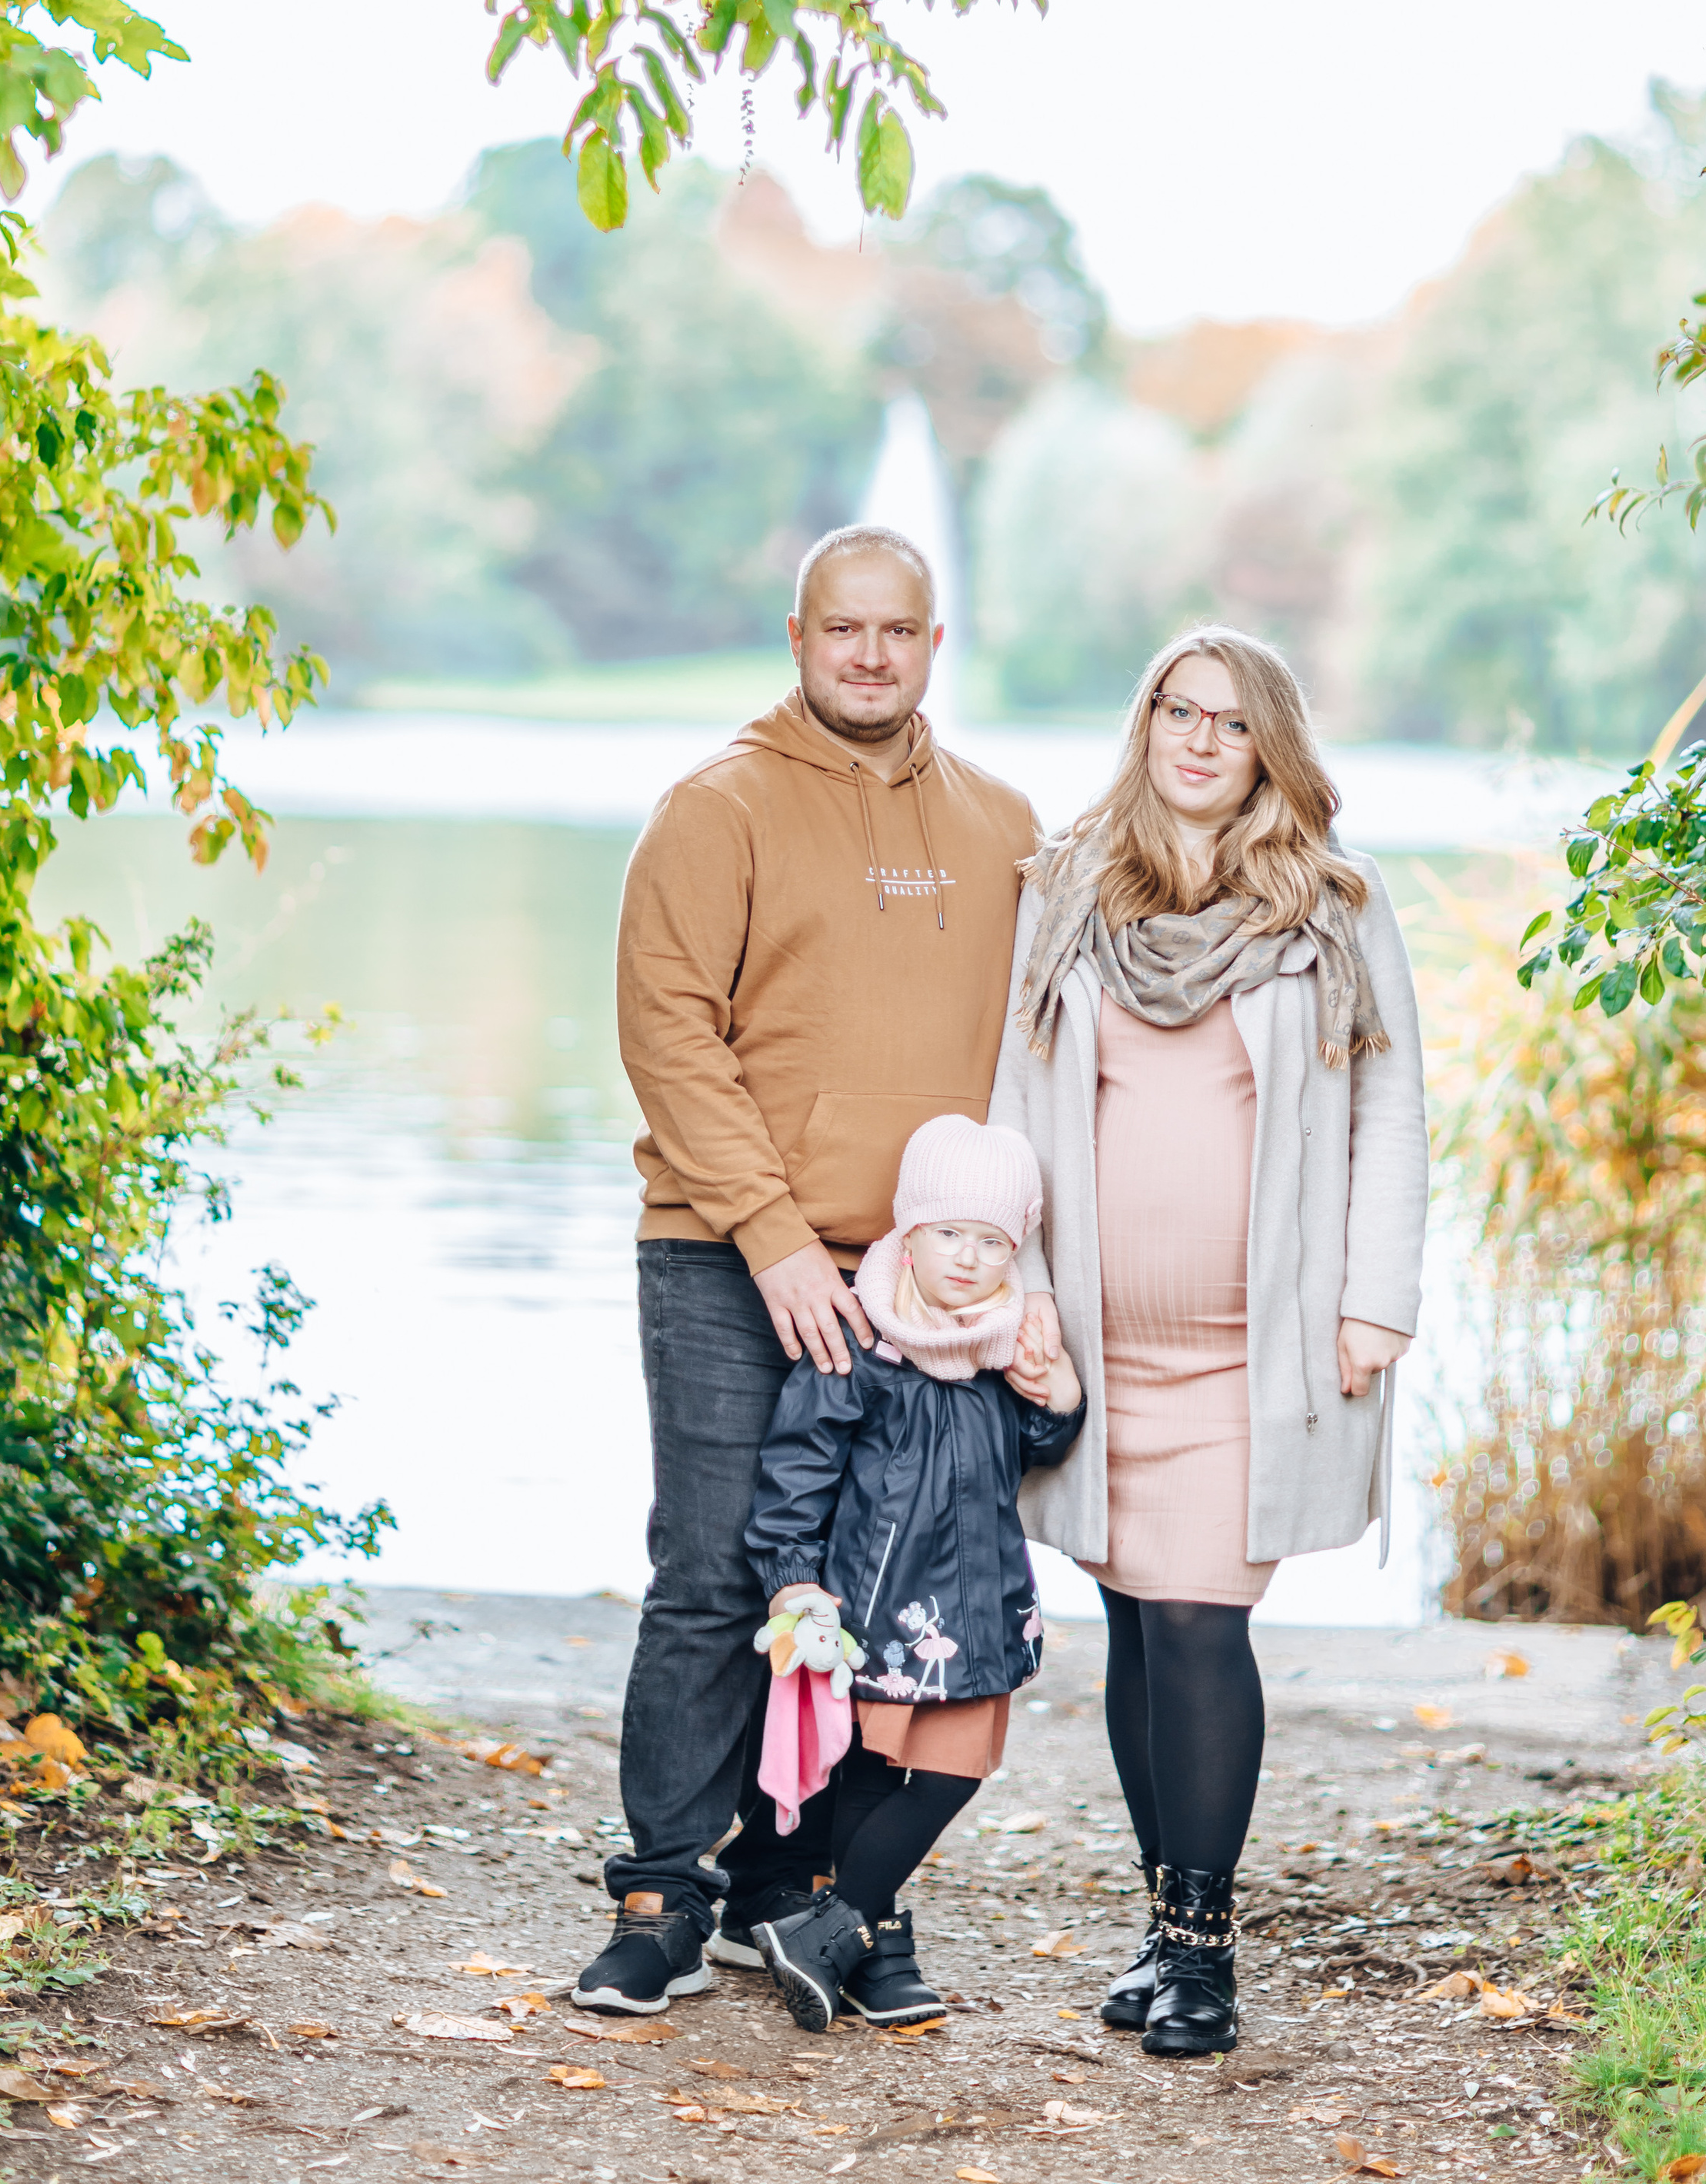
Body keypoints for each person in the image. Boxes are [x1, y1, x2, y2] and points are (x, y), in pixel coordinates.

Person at [576, 526, 1049, 2016]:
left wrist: (1009, 1277)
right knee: (719, 1572)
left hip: (924, 1284)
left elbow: (1037, 1058)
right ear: (796, 636)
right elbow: (667, 1035)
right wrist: (773, 1235)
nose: (867, 655)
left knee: (871, 1585)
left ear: (930, 646)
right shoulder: (711, 811)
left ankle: (810, 1893)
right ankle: (664, 1889)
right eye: (840, 629)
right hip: (726, 1256)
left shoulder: (1003, 824)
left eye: (896, 632)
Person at [988, 625, 1428, 2059]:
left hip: (1261, 1346)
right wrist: (1016, 1293)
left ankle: (1205, 1949)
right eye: (1176, 711)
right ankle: (1164, 1922)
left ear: (1267, 749)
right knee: (1127, 1618)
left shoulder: (1331, 908)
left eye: (1228, 724)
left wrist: (1377, 1300)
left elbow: (1388, 1114)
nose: (1195, 739)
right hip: (1100, 1346)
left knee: (1197, 1623)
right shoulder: (1066, 895)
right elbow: (1016, 1099)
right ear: (1146, 726)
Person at [743, 1113, 1083, 2032]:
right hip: (883, 1605)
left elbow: (1032, 1449)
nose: (969, 1260)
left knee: (951, 1774)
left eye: (992, 1241)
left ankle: (830, 1926)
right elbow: (797, 1467)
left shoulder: (1005, 1341)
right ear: (908, 1230)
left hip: (979, 1606)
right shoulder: (859, 1338)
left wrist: (1057, 1398)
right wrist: (791, 1576)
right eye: (948, 1234)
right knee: (872, 1772)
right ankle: (874, 1942)